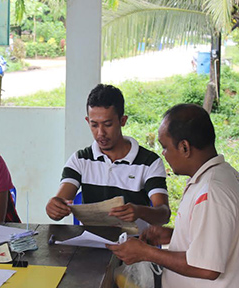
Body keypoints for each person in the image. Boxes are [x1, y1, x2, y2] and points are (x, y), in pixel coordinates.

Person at [99, 104, 239, 288]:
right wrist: (170, 235)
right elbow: (215, 237)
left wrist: (146, 253)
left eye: (165, 146)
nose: (163, 153)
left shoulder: (212, 191)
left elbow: (207, 268)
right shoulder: (218, 177)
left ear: (184, 147)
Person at [46, 84, 170, 226]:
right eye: (94, 125)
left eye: (108, 124)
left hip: (135, 245)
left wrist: (139, 211)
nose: (100, 133)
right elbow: (60, 202)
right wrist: (54, 207)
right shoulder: (80, 160)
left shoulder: (149, 162)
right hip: (90, 243)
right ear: (87, 121)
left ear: (122, 121)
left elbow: (164, 214)